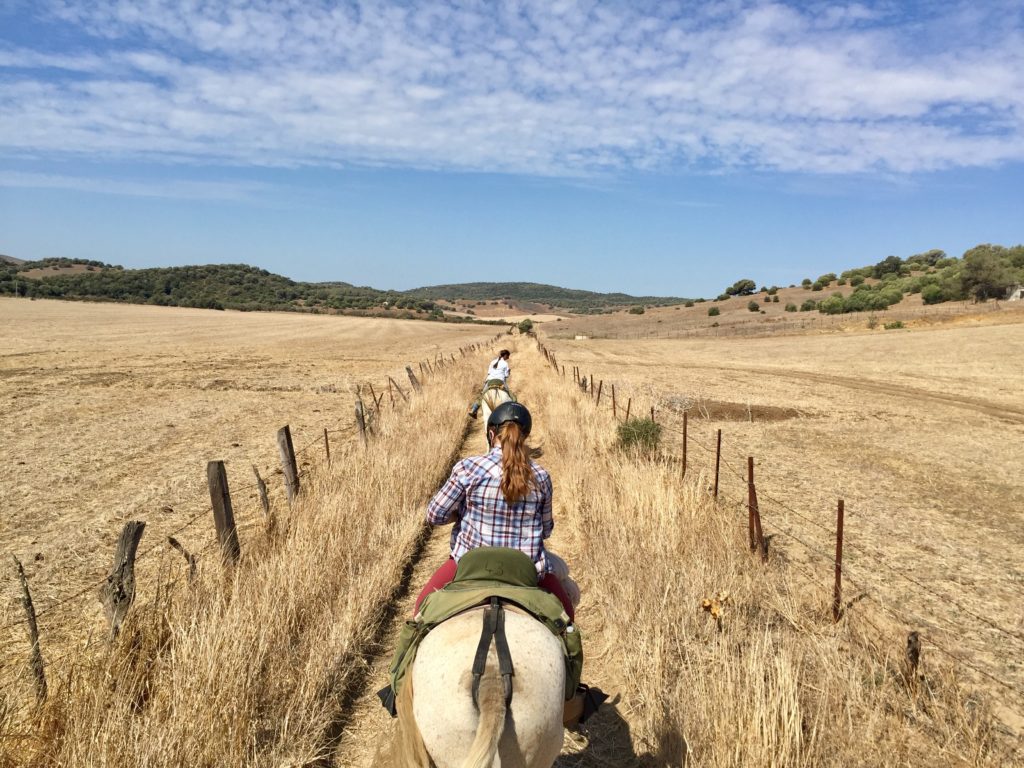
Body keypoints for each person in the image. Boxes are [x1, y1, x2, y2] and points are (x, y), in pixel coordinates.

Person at [414, 401, 575, 619]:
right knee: (568, 621)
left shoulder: (468, 468)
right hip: (525, 570)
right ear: (525, 436)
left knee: (420, 611)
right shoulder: (541, 476)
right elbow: (546, 530)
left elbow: (434, 514)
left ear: (491, 433)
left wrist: (461, 513)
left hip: (469, 564)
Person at [468, 349, 511, 418]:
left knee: (482, 395)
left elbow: (489, 373)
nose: (508, 358)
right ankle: (512, 410)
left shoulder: (493, 362)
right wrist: (508, 372)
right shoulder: (505, 364)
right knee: (510, 395)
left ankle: (473, 409)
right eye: (508, 356)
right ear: (505, 355)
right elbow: (506, 375)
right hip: (500, 381)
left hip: (489, 381)